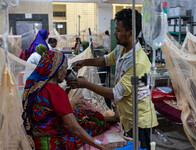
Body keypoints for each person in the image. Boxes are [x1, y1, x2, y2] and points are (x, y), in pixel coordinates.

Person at [69, 9, 158, 150]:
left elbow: (116, 93)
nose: (114, 33)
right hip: (126, 115)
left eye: (117, 30)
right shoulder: (121, 49)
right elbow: (105, 60)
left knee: (140, 147)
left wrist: (85, 84)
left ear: (130, 32)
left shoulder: (138, 62)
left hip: (139, 120)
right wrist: (84, 62)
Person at [22, 50, 125, 150]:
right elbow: (74, 128)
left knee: (83, 114)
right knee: (89, 123)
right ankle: (112, 120)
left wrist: (67, 90)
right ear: (58, 70)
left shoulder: (35, 86)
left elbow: (52, 106)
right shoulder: (56, 91)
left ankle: (114, 118)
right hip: (55, 143)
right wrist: (102, 146)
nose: (65, 73)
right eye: (65, 69)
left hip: (38, 138)